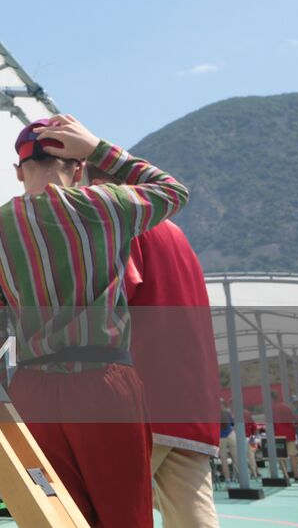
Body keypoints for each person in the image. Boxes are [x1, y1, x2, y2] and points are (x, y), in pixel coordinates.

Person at [0, 115, 189, 527]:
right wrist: (99, 147)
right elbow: (174, 191)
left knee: (56, 519)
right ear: (79, 166)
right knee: (126, 517)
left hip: (31, 393)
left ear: (18, 171)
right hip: (104, 385)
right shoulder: (105, 205)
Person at [122, 217, 221, 527]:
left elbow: (109, 301)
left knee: (104, 510)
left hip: (143, 400)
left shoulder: (122, 223)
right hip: (194, 405)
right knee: (194, 515)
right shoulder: (178, 236)